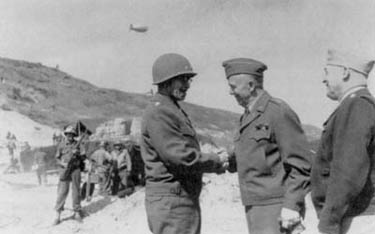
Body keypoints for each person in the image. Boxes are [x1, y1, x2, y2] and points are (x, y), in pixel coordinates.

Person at [141, 53, 228, 234]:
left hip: (179, 199)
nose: (187, 85)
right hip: (173, 202)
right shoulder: (160, 112)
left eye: (189, 80)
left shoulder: (170, 109)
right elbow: (180, 157)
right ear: (167, 81)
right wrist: (216, 160)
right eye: (183, 79)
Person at [222, 58, 311, 234]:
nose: (230, 92)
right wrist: (222, 160)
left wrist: (292, 205)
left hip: (276, 206)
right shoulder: (247, 117)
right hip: (255, 204)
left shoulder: (277, 111)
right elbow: (250, 157)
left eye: (233, 87)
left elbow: (300, 165)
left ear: (251, 85)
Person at [310, 49, 375, 234]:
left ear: (345, 72)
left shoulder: (356, 105)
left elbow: (347, 170)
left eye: (327, 72)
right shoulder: (356, 105)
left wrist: (329, 222)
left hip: (358, 219)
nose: (323, 79)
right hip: (355, 216)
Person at [53, 125, 86, 225]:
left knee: (76, 191)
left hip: (75, 169)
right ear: (66, 135)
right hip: (64, 170)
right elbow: (57, 158)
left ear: (74, 135)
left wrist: (78, 154)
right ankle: (57, 215)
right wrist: (63, 164)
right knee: (62, 191)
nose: (70, 136)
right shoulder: (61, 145)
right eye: (68, 134)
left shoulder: (79, 144)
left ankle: (77, 212)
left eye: (72, 134)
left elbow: (84, 157)